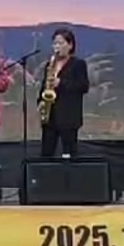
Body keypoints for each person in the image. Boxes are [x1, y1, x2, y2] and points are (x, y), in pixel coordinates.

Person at [39, 27, 89, 159]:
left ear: (70, 45)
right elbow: (44, 85)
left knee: (69, 154)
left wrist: (61, 83)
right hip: (51, 116)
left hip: (69, 117)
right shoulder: (50, 64)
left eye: (61, 43)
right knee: (46, 154)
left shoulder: (78, 64)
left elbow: (84, 86)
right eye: (55, 43)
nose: (57, 47)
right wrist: (41, 102)